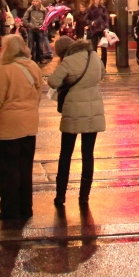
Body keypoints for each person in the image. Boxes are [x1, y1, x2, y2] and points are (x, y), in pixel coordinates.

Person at [0, 33, 42, 223]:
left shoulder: (3, 71)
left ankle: (10, 209)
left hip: (7, 129)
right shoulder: (33, 68)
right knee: (25, 169)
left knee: (8, 171)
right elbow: (38, 95)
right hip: (29, 125)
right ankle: (26, 207)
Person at [47, 36, 105, 209]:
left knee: (66, 154)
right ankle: (84, 197)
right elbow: (102, 73)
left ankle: (60, 196)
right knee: (88, 154)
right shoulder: (93, 56)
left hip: (72, 110)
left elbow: (52, 82)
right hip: (93, 110)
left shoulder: (68, 62)